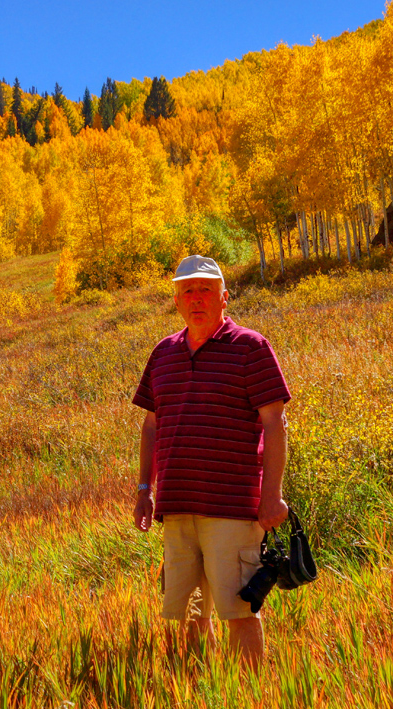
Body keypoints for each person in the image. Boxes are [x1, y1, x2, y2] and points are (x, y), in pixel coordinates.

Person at [132, 254, 292, 667]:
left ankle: (250, 693)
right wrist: (144, 490)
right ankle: (203, 688)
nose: (196, 297)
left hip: (234, 508)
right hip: (178, 506)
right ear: (177, 301)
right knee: (189, 612)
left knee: (239, 610)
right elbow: (151, 425)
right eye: (188, 290)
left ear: (225, 298)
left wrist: (271, 495)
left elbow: (275, 423)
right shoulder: (163, 353)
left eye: (206, 289)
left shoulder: (251, 348)